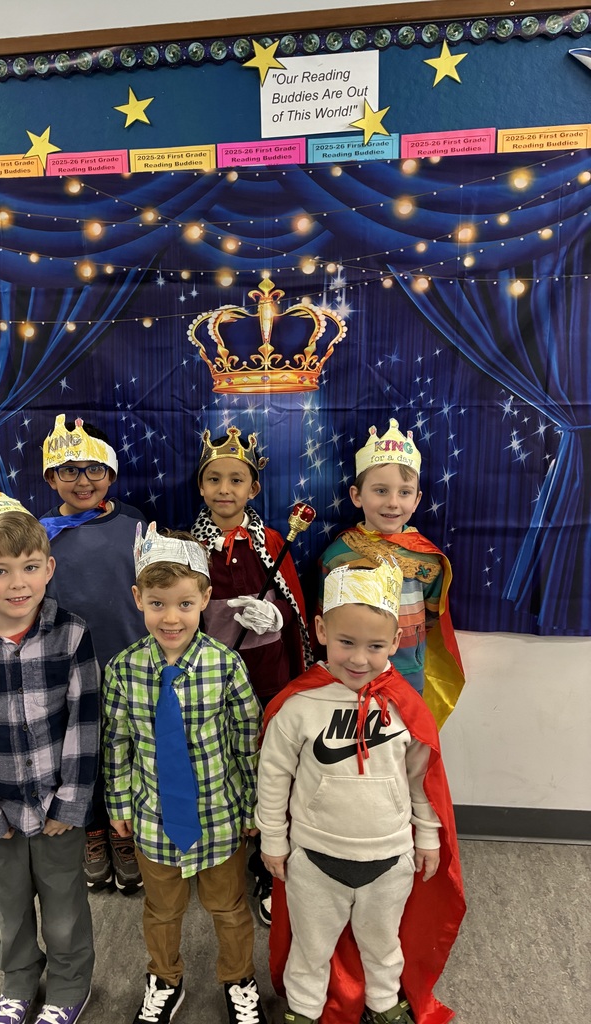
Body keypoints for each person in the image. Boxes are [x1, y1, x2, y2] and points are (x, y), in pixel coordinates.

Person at [256, 561, 465, 1024]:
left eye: (374, 646)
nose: (358, 659)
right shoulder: (299, 705)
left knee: (383, 941)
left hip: (389, 856)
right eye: (346, 642)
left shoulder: (405, 706)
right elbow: (273, 776)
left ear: (395, 641)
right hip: (314, 855)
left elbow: (422, 779)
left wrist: (428, 836)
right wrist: (272, 838)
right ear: (321, 630)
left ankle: (383, 1002)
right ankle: (304, 1009)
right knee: (310, 946)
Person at [0, 492, 99, 1024]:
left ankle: (69, 984)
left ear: (49, 568)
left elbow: (84, 724)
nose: (17, 583)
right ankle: (19, 979)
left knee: (64, 904)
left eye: (30, 567)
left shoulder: (72, 634)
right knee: (9, 905)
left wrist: (70, 803)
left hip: (56, 807)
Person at [103, 523, 267, 1024]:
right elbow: (117, 743)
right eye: (157, 604)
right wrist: (119, 803)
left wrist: (253, 807)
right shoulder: (123, 669)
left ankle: (238, 978)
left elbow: (247, 741)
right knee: (161, 910)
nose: (171, 617)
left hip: (219, 818)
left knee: (230, 908)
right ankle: (164, 977)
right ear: (138, 599)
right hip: (154, 819)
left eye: (184, 604)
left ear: (205, 599)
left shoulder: (227, 665)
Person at [191, 425, 311, 926]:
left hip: (267, 675)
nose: (225, 489)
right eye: (214, 479)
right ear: (201, 486)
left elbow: (294, 603)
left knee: (270, 765)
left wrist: (277, 617)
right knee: (219, 760)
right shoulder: (189, 546)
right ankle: (221, 855)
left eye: (236, 480)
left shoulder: (274, 542)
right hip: (214, 678)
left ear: (253, 488)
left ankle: (268, 861)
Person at [40, 414, 147, 895]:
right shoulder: (40, 534)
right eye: (69, 470)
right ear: (51, 477)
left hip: (129, 665)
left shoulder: (136, 525)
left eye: (93, 469)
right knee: (80, 755)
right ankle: (93, 831)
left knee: (125, 751)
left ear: (111, 473)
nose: (83, 481)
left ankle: (125, 835)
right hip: (70, 670)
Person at [319, 420, 464, 725]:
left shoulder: (426, 558)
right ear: (357, 496)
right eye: (381, 491)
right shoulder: (338, 555)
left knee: (403, 737)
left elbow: (432, 615)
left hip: (408, 671)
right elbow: (325, 614)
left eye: (404, 492)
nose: (393, 503)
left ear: (417, 499)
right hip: (351, 670)